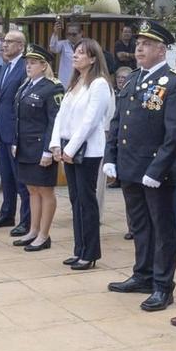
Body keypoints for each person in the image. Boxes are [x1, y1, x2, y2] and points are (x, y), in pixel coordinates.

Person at [105, 19, 176, 313]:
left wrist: (157, 169)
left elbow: (175, 133)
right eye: (138, 44)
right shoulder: (134, 79)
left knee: (162, 230)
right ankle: (143, 274)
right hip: (129, 167)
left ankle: (163, 286)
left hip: (157, 172)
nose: (139, 48)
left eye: (147, 44)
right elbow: (118, 123)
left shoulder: (175, 82)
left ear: (162, 49)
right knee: (139, 225)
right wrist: (110, 157)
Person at [51, 37, 114, 270]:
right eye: (75, 52)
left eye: (80, 53)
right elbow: (60, 116)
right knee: (75, 200)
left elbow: (90, 121)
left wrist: (69, 149)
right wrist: (56, 144)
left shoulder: (98, 84)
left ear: (93, 58)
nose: (75, 55)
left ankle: (90, 252)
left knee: (87, 201)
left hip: (87, 151)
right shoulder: (74, 83)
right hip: (69, 147)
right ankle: (79, 249)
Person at [12, 44, 64, 251]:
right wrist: (16, 142)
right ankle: (33, 230)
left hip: (41, 147)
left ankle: (44, 235)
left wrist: (48, 150)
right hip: (25, 147)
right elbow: (19, 118)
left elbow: (54, 121)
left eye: (33, 63)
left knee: (45, 190)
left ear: (44, 66)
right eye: (27, 63)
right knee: (32, 189)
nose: (28, 66)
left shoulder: (53, 87)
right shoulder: (26, 85)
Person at [0, 28, 30, 232]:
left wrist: (18, 135)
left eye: (9, 41)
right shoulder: (5, 67)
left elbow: (22, 104)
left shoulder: (24, 67)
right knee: (6, 177)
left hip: (16, 133)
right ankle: (7, 214)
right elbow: (2, 103)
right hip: (2, 131)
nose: (4, 44)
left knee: (21, 180)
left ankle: (26, 221)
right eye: (4, 41)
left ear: (20, 46)